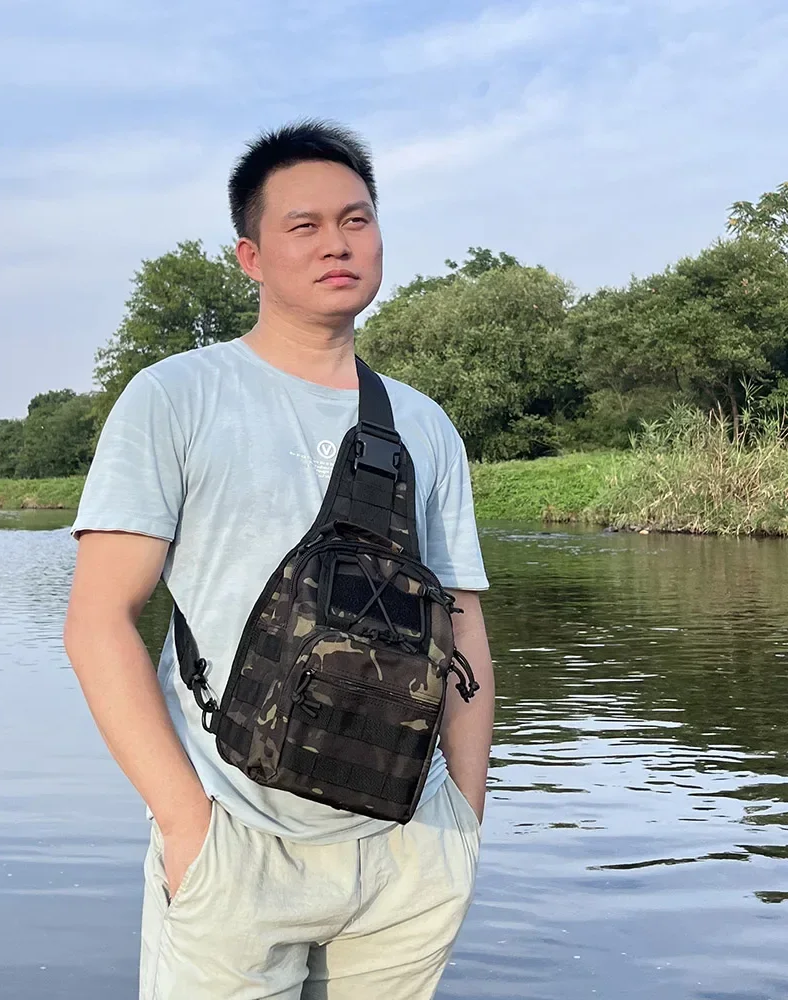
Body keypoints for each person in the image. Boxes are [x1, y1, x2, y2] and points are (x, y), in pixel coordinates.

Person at [63, 119, 495, 1000]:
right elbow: (98, 622)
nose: (338, 243)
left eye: (357, 220)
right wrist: (187, 827)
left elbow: (463, 625)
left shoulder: (424, 424)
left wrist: (464, 814)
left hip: (409, 853)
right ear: (251, 257)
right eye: (306, 225)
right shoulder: (176, 397)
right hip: (235, 845)